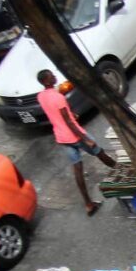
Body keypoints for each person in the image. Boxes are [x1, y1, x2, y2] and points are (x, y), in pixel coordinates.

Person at [36, 70, 117, 217]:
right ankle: (123, 171)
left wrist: (71, 114)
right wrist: (85, 139)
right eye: (51, 76)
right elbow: (68, 122)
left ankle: (88, 204)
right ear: (47, 81)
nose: (54, 76)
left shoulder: (41, 96)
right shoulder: (58, 97)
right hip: (75, 136)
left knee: (77, 169)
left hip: (61, 138)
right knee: (99, 152)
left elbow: (56, 114)